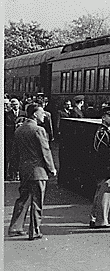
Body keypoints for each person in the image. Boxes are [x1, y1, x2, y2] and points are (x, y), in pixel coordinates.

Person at [7, 103, 57, 240]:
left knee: (23, 199)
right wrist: (51, 168)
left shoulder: (19, 130)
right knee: (37, 201)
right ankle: (34, 231)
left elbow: (14, 153)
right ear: (35, 114)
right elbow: (45, 151)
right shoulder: (39, 130)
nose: (44, 115)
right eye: (42, 113)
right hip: (38, 171)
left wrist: (13, 169)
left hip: (25, 171)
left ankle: (15, 227)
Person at [89, 106, 110, 229]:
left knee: (101, 192)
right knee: (104, 193)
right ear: (103, 117)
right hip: (104, 166)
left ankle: (95, 218)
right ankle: (101, 220)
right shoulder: (102, 132)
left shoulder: (107, 130)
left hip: (104, 165)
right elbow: (103, 151)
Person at [5, 98, 27, 181]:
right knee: (10, 157)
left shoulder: (23, 113)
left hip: (21, 139)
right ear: (11, 106)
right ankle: (10, 173)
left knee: (20, 157)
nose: (15, 106)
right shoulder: (6, 114)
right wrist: (14, 127)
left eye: (17, 104)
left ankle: (18, 173)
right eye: (13, 105)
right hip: (11, 139)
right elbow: (4, 126)